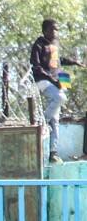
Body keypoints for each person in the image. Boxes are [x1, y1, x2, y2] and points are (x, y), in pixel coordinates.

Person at [31, 19, 82, 164]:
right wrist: (53, 80)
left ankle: (53, 153)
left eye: (57, 29)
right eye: (52, 29)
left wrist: (74, 62)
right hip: (43, 81)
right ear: (45, 30)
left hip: (58, 78)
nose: (55, 32)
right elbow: (36, 67)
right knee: (60, 98)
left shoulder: (55, 44)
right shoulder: (39, 44)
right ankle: (43, 122)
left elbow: (58, 61)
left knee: (56, 119)